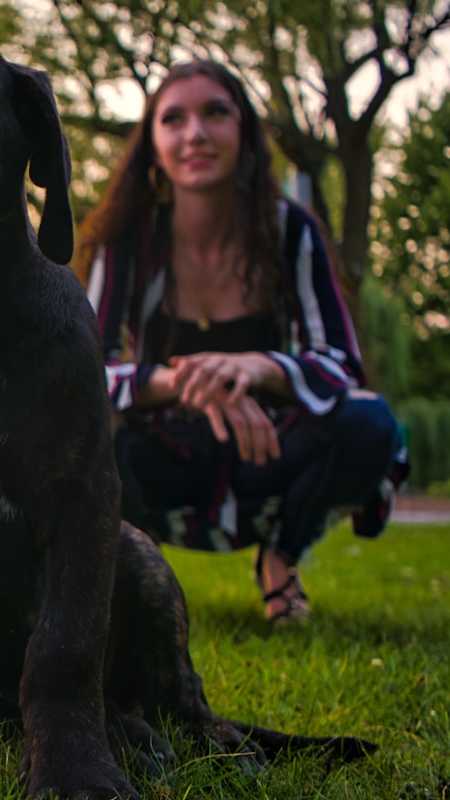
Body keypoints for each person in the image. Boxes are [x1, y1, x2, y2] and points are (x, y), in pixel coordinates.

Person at [79, 60, 406, 625]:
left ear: (245, 133)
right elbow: (84, 372)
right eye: (173, 119)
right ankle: (130, 582)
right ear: (153, 145)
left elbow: (340, 364)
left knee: (370, 423)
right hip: (166, 457)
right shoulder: (126, 240)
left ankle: (281, 559)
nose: (196, 134)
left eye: (216, 113)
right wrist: (185, 382)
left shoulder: (291, 231)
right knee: (86, 442)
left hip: (267, 451)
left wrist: (256, 368)